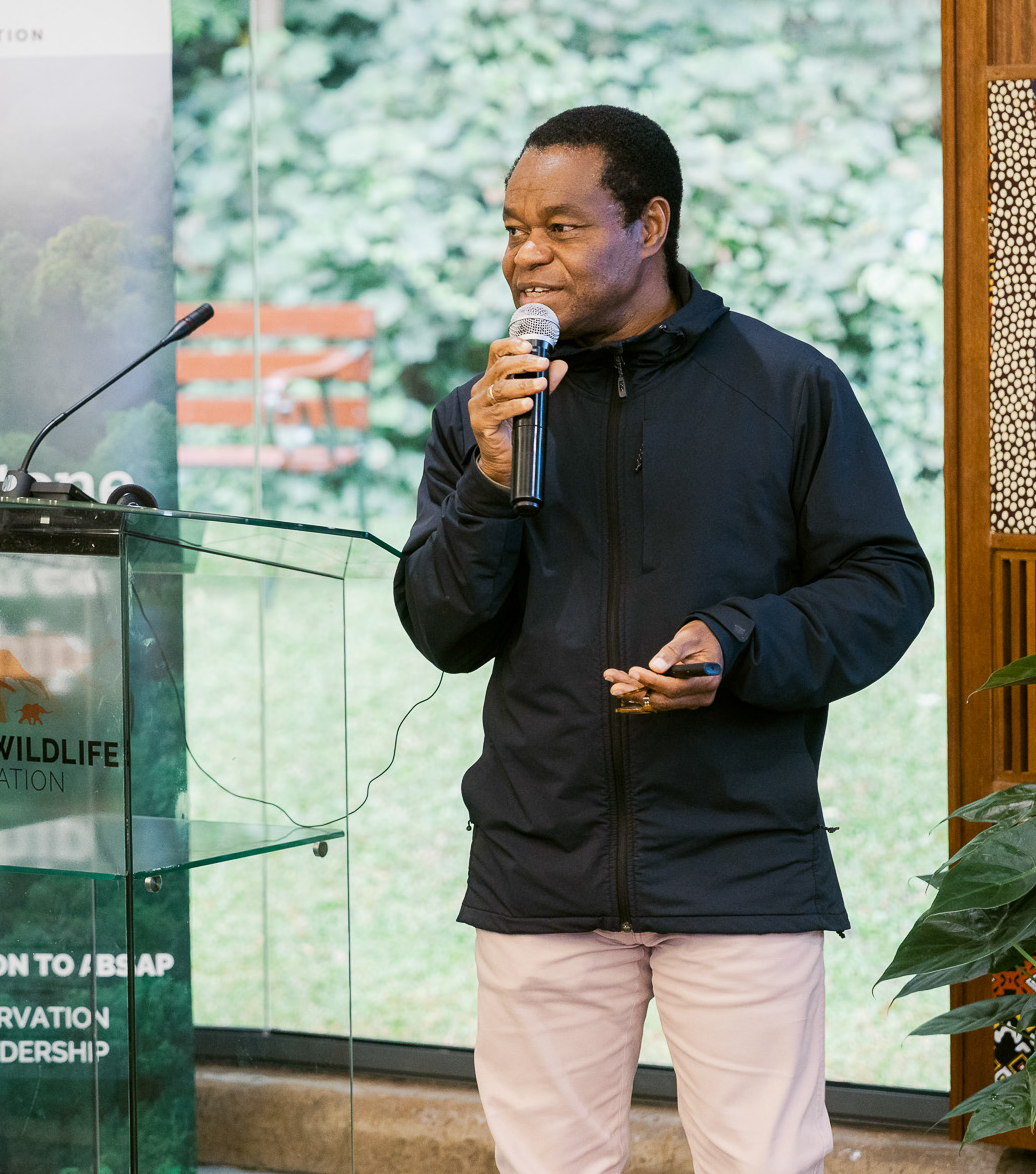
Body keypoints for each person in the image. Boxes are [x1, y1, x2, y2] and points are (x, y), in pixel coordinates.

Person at [394, 105, 933, 1174]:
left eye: (558, 226)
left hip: (736, 864)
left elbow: (884, 584)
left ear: (649, 225)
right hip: (538, 862)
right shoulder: (482, 415)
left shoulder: (786, 389)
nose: (523, 258)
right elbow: (441, 629)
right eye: (509, 229)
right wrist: (490, 488)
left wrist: (736, 641)